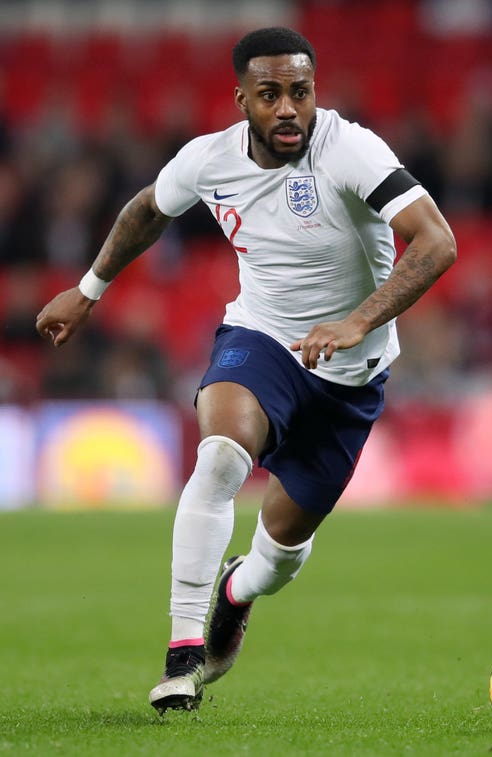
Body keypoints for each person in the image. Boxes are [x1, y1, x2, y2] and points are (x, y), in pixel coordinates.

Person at [36, 27, 457, 714]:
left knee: (280, 555)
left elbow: (437, 240)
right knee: (221, 458)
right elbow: (148, 210)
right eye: (271, 95)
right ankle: (181, 656)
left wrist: (357, 321)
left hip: (352, 374)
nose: (289, 107)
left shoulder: (350, 149)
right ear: (242, 101)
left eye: (301, 91)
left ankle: (236, 592)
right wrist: (88, 289)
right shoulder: (208, 161)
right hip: (261, 339)